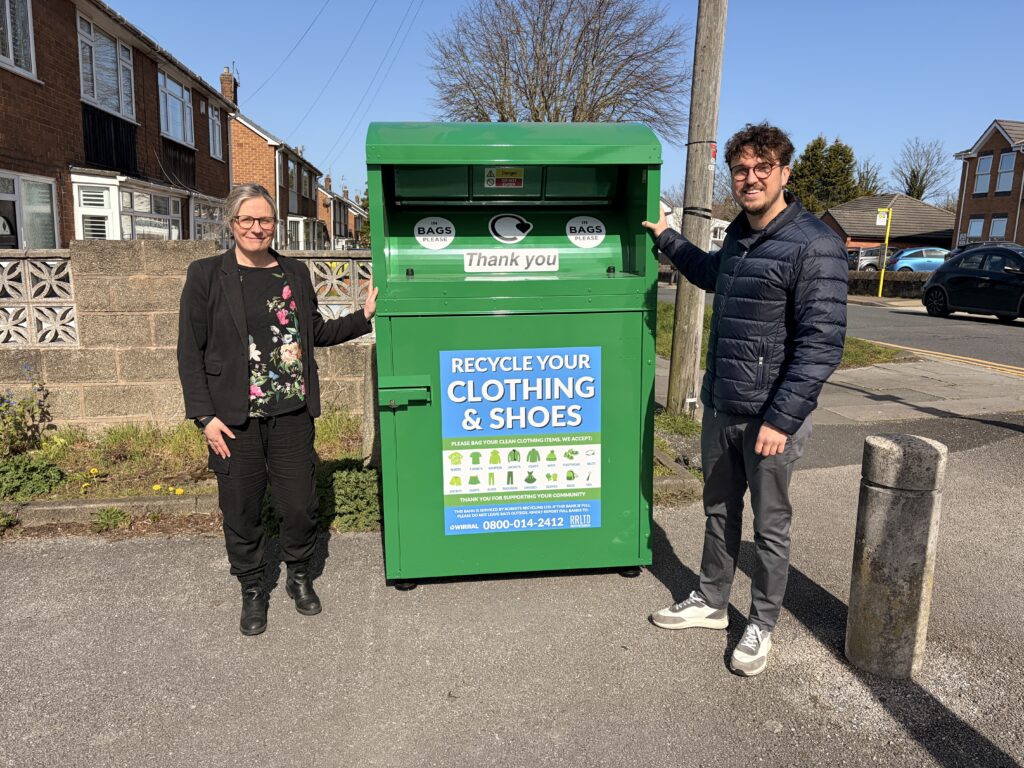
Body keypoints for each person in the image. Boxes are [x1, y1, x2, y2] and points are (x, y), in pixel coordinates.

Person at [641, 123, 847, 676]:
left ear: (784, 172)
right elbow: (712, 274)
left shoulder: (814, 243)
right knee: (718, 510)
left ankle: (761, 623)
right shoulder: (738, 234)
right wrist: (666, 236)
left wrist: (781, 419)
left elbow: (821, 345)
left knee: (770, 525)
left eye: (762, 169)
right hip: (724, 404)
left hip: (773, 418)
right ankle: (711, 601)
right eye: (740, 170)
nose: (750, 179)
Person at [177, 183, 378, 637]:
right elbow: (190, 352)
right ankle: (252, 588)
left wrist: (363, 315)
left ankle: (299, 575)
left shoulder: (293, 273)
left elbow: (316, 333)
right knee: (241, 510)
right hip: (232, 421)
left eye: (264, 220)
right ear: (232, 224)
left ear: (275, 224)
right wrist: (205, 417)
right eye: (246, 219)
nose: (256, 228)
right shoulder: (207, 274)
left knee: (300, 506)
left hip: (291, 414)